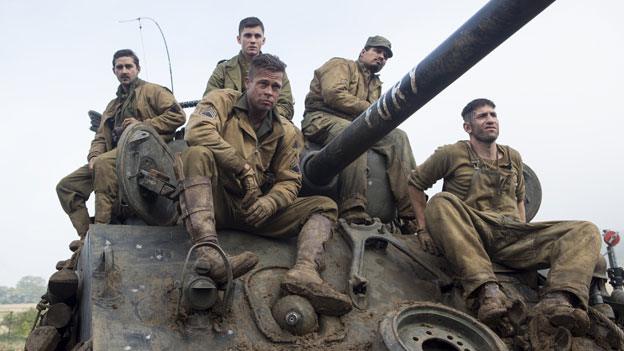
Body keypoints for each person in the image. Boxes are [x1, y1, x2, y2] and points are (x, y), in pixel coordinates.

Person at [408, 98, 601, 335]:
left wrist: (523, 230)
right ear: (468, 127)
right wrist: (423, 228)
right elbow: (415, 183)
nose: (490, 120)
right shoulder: (451, 153)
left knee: (586, 230)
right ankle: (487, 291)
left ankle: (557, 299)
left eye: (493, 115)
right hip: (473, 230)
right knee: (440, 201)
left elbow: (520, 199)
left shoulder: (513, 157)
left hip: (511, 235)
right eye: (482, 116)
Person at [180, 53, 351, 316]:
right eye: (263, 84)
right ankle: (208, 254)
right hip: (217, 203)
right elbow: (197, 131)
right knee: (196, 155)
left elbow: (290, 179)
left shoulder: (286, 130)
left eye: (275, 87)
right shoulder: (221, 101)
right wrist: (241, 166)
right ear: (247, 82)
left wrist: (270, 202)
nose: (269, 92)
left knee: (324, 205)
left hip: (256, 211)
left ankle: (305, 272)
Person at [56, 49, 186, 238]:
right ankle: (87, 237)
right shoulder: (113, 105)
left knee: (103, 164)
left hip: (144, 152)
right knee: (67, 187)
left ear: (137, 68)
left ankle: (102, 228)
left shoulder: (153, 91)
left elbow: (177, 116)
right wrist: (93, 155)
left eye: (128, 66)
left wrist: (143, 125)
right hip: (117, 154)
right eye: (120, 67)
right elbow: (100, 136)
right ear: (114, 71)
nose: (124, 71)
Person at [301, 35, 417, 228]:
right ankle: (352, 206)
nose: (382, 57)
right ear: (363, 52)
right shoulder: (341, 65)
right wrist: (372, 109)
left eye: (386, 56)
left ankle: (411, 212)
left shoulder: (376, 85)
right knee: (354, 134)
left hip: (358, 124)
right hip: (320, 119)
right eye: (377, 51)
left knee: (398, 136)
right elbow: (333, 94)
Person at [203, 17, 294, 121]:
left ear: (263, 40)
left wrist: (262, 116)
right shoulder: (223, 69)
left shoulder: (276, 71)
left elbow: (286, 107)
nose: (253, 41)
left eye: (257, 36)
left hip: (266, 127)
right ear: (239, 39)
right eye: (248, 36)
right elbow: (209, 101)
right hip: (229, 124)